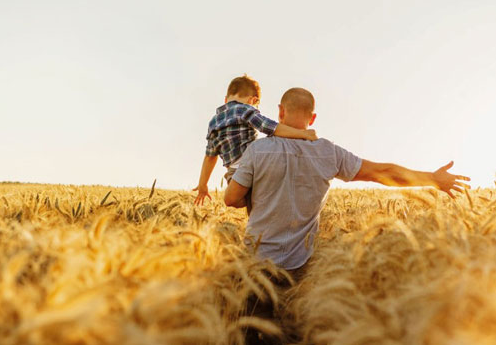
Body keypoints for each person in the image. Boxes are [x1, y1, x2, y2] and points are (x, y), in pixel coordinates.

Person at [223, 87, 470, 278]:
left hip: (255, 264)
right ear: (313, 117)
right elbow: (383, 172)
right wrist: (432, 179)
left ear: (280, 112)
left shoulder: (258, 150)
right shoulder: (329, 153)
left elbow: (232, 200)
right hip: (303, 267)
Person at [193, 75, 318, 206]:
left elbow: (210, 156)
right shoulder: (245, 109)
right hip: (257, 165)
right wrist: (302, 133)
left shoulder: (213, 122)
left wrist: (203, 185)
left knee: (235, 201)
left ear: (226, 99)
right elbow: (270, 127)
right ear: (253, 100)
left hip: (234, 174)